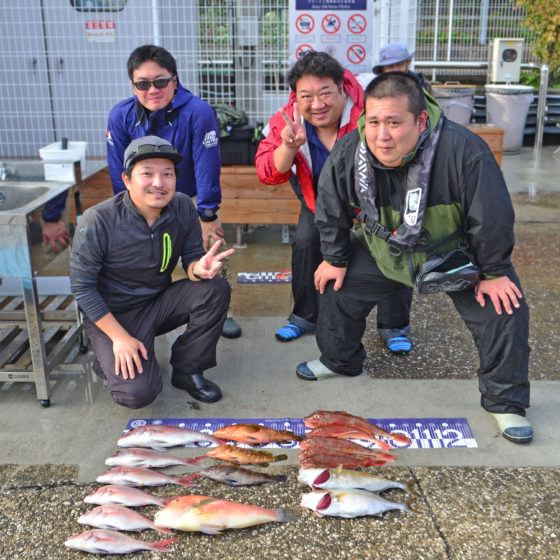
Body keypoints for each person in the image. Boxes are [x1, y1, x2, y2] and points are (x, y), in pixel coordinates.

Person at [297, 72, 532, 444]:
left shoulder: (463, 150)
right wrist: (335, 257)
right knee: (334, 283)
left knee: (505, 309)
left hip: (452, 254)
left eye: (394, 122)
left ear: (420, 120)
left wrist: (495, 270)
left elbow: (492, 214)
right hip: (384, 250)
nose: (381, 135)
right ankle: (339, 361)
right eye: (373, 122)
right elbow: (330, 207)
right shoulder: (350, 149)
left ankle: (505, 401)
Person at [255, 51, 414, 354]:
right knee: (305, 243)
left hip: (376, 201)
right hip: (318, 201)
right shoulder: (287, 120)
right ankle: (305, 316)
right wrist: (289, 147)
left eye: (325, 93)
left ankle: (394, 325)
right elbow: (267, 172)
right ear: (295, 96)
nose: (317, 104)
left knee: (394, 247)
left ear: (343, 88)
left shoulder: (368, 112)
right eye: (307, 96)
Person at [70, 136, 233, 407]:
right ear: (126, 179)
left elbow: (191, 259)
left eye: (167, 174)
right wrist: (120, 338)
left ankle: (187, 369)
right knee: (137, 394)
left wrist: (198, 269)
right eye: (147, 173)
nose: (159, 183)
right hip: (115, 314)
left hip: (157, 303)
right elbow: (82, 288)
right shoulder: (98, 220)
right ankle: (107, 356)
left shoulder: (181, 206)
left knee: (215, 288)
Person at [106, 44, 241, 339]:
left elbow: (207, 164)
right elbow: (119, 169)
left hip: (190, 195)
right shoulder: (121, 116)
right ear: (133, 85)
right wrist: (125, 211)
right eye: (143, 84)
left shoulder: (198, 112)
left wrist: (207, 212)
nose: (152, 89)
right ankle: (144, 307)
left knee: (212, 248)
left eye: (160, 81)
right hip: (141, 199)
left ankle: (223, 311)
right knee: (140, 256)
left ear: (175, 80)